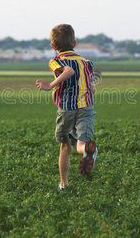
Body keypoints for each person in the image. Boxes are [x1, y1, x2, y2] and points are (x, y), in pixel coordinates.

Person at [35, 24, 98, 191]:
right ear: (75, 43)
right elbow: (92, 86)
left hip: (67, 109)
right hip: (86, 107)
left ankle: (64, 184)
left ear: (53, 46)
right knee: (80, 144)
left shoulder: (56, 60)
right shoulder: (87, 62)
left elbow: (68, 71)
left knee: (65, 147)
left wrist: (50, 85)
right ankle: (87, 151)